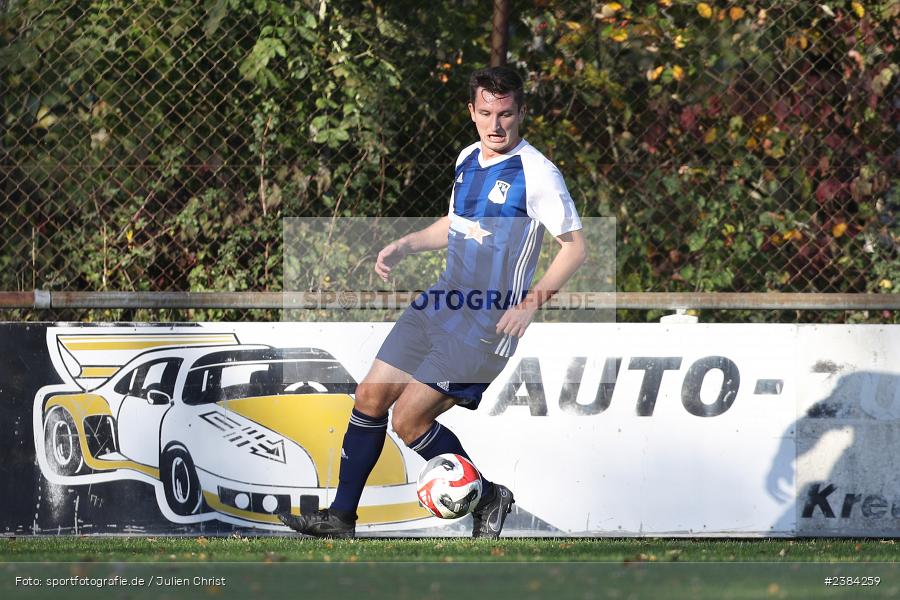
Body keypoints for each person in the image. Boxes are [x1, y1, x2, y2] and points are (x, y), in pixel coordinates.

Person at [279, 65, 586, 539]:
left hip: (486, 324)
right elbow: (455, 225)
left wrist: (530, 302)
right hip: (439, 302)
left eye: (505, 114)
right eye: (486, 113)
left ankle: (486, 497)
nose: (496, 125)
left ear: (522, 112)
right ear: (472, 111)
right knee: (369, 397)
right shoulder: (466, 158)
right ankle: (341, 518)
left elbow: (575, 247)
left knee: (409, 419)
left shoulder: (538, 173)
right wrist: (405, 245)